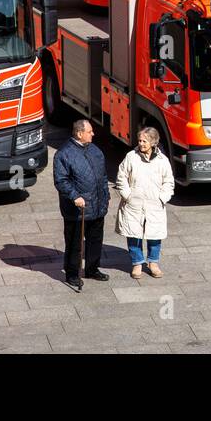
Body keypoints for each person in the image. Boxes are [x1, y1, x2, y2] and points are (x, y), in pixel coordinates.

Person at [54, 118, 110, 291]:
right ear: (80, 134)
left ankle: (92, 269)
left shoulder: (95, 150)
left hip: (98, 204)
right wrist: (74, 196)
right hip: (78, 209)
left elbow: (103, 175)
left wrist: (106, 195)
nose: (93, 134)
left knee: (95, 239)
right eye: (90, 131)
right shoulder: (64, 154)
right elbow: (61, 181)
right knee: (74, 243)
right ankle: (72, 274)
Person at [115, 126, 174, 279]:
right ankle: (137, 263)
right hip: (133, 204)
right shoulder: (131, 157)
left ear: (153, 142)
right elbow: (121, 177)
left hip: (154, 204)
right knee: (133, 235)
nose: (141, 144)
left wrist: (163, 197)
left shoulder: (163, 161)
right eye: (140, 140)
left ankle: (153, 263)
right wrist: (127, 195)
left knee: (155, 235)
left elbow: (168, 181)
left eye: (145, 141)